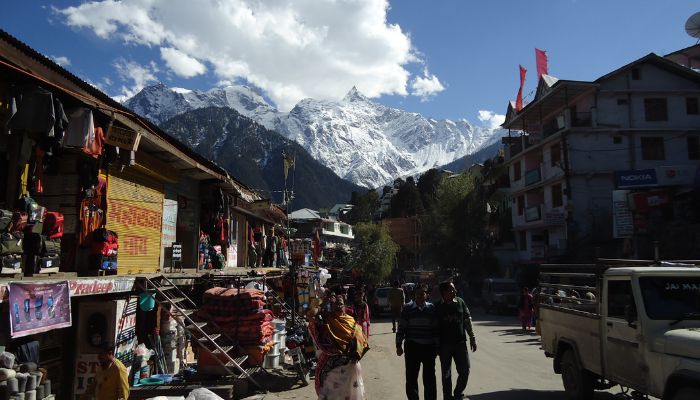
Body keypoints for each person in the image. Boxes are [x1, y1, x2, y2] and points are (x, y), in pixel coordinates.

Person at [307, 294, 367, 400]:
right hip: (331, 367)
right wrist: (324, 304)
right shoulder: (327, 318)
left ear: (345, 306)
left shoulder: (351, 321)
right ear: (331, 306)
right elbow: (310, 315)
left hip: (350, 366)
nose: (338, 307)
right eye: (335, 304)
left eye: (341, 304)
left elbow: (361, 341)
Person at [436, 281, 477, 400]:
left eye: (454, 289)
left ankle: (458, 392)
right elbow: (434, 328)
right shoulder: (437, 306)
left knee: (465, 371)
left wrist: (472, 338)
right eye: (451, 289)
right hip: (444, 346)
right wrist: (436, 346)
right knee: (446, 374)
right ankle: (447, 397)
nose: (455, 291)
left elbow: (467, 321)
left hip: (460, 344)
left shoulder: (460, 302)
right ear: (444, 292)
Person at [396, 284, 438, 400]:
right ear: (414, 295)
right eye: (418, 293)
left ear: (426, 295)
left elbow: (435, 329)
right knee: (411, 378)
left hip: (428, 348)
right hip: (412, 347)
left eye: (422, 293)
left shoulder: (431, 308)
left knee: (429, 378)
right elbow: (401, 327)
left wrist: (437, 346)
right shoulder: (407, 308)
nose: (420, 295)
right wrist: (398, 345)